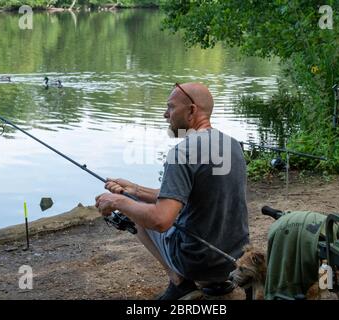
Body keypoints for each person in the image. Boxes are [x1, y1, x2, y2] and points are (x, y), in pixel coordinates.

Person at [95, 82, 249, 300]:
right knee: (131, 199)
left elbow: (160, 220)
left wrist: (117, 202)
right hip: (235, 259)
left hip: (198, 262)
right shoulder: (232, 144)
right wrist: (134, 190)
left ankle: (179, 281)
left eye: (170, 107)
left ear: (192, 110)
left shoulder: (183, 152)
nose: (165, 114)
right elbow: (189, 194)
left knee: (135, 213)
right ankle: (216, 284)